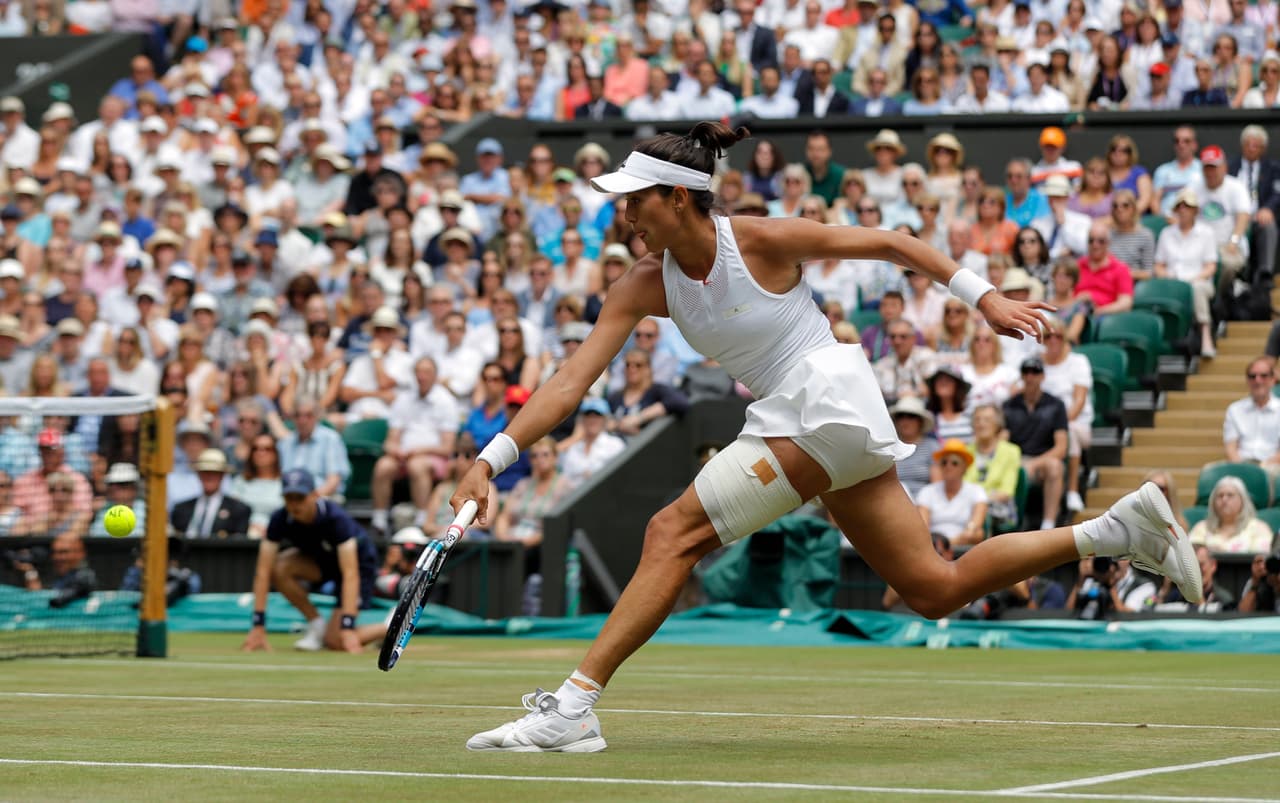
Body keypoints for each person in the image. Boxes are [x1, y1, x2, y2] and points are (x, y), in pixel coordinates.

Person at [452, 123, 1201, 754]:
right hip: (810, 416)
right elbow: (565, 385)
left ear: (677, 197)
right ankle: (1113, 528)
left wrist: (987, 298)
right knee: (933, 588)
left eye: (636, 201)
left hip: (825, 399)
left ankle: (574, 710)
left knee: (670, 532)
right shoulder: (642, 284)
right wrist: (491, 458)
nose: (626, 218)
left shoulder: (764, 238)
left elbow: (891, 241)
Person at [241, 470, 385, 654]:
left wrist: (347, 627)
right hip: (321, 562)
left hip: (358, 566)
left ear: (314, 495)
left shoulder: (336, 519)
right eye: (289, 498)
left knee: (336, 642)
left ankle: (390, 628)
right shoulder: (280, 518)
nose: (294, 504)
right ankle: (317, 624)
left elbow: (351, 573)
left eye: (300, 497)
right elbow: (263, 571)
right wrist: (258, 624)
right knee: (278, 567)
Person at [370, 357, 459, 537]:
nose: (421, 376)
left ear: (435, 376)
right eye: (418, 372)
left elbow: (447, 447)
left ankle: (422, 520)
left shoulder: (446, 401)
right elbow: (391, 438)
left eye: (426, 372)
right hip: (404, 456)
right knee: (383, 465)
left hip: (434, 457)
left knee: (417, 465)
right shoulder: (403, 399)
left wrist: (420, 451)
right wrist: (394, 449)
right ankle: (379, 521)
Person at [1003, 356, 1069, 530]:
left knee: (1055, 466)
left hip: (1042, 460)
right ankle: (1010, 522)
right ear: (1022, 376)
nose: (1030, 376)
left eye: (1035, 372)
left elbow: (1061, 447)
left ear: (1042, 376)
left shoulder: (1056, 405)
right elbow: (1003, 438)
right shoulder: (1009, 405)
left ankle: (1048, 523)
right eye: (1026, 372)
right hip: (1016, 459)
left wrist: (1034, 463)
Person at [915, 438, 988, 546]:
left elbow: (975, 525)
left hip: (964, 544)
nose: (948, 466)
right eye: (944, 462)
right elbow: (923, 527)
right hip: (933, 545)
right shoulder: (927, 491)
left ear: (965, 467)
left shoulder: (976, 491)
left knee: (978, 533)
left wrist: (950, 542)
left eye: (954, 463)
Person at [169, 449, 252, 539]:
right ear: (199, 474)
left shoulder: (238, 510)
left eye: (214, 473)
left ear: (222, 475)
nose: (209, 477)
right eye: (205, 472)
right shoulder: (181, 509)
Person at [966, 404, 1022, 530]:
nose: (981, 424)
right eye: (977, 420)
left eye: (987, 420)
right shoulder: (965, 451)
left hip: (998, 507)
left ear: (997, 424)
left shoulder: (1011, 451)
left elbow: (1006, 492)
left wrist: (979, 501)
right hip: (968, 506)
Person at [1187, 475, 1275, 554]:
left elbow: (1262, 562)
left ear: (1243, 501)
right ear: (1213, 502)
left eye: (1230, 495)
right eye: (1220, 496)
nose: (1224, 499)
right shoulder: (1201, 528)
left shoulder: (1259, 528)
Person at [1223, 357, 1280, 471]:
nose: (1258, 380)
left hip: (1274, 469)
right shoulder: (1234, 410)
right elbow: (1231, 449)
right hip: (1241, 467)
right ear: (1247, 380)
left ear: (1273, 379)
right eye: (1252, 376)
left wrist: (1263, 469)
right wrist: (1244, 470)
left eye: (1263, 376)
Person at [14, 532, 96, 608]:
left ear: (81, 553)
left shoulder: (85, 577)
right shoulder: (55, 578)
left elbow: (56, 602)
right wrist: (30, 572)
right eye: (55, 552)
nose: (58, 558)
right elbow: (38, 601)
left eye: (64, 552)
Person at [559, 398, 627, 488]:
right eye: (588, 415)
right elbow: (565, 480)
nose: (592, 420)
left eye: (597, 415)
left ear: (605, 419)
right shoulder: (573, 449)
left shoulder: (615, 445)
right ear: (582, 419)